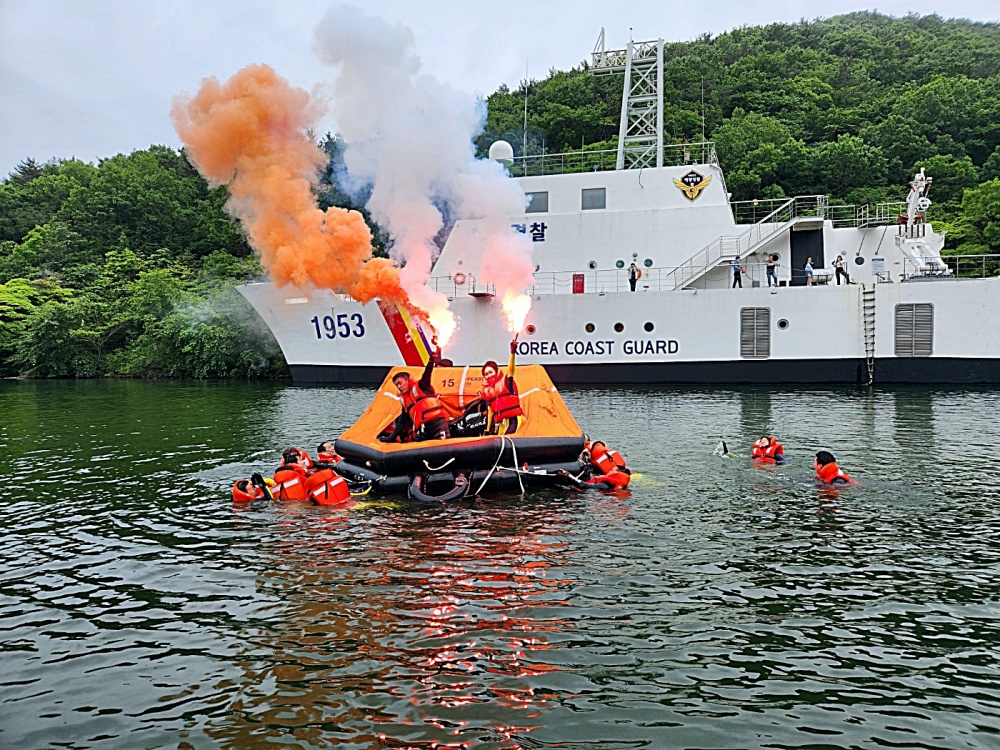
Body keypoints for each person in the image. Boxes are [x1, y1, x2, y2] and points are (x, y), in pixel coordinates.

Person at [382, 346, 449, 442]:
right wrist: (390, 438)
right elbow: (401, 423)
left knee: (441, 445)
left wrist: (431, 361)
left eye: (400, 383)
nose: (399, 387)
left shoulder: (422, 386)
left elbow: (427, 374)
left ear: (408, 380)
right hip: (423, 430)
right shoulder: (405, 401)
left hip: (437, 425)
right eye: (397, 385)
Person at [480, 338, 523, 435]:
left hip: (514, 420)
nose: (489, 375)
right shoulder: (488, 391)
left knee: (508, 439)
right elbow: (491, 412)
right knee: (500, 439)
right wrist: (487, 430)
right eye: (486, 374)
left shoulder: (506, 381)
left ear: (496, 371)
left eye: (491, 372)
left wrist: (512, 353)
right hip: (502, 423)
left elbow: (511, 369)